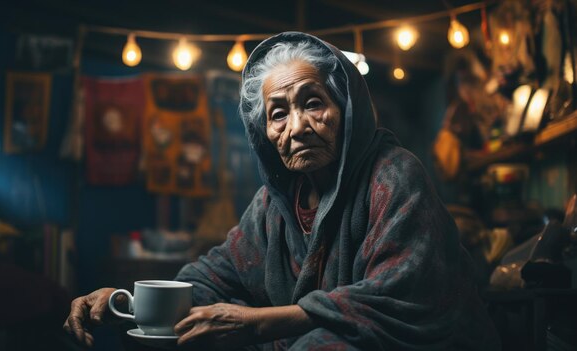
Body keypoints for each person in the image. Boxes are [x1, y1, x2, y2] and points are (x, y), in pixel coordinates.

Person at [64, 32, 501, 350]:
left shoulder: (394, 175)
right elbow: (214, 276)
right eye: (278, 114)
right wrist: (127, 302)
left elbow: (402, 296)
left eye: (313, 103)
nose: (296, 128)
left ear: (345, 110)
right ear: (265, 134)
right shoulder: (273, 207)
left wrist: (257, 324)